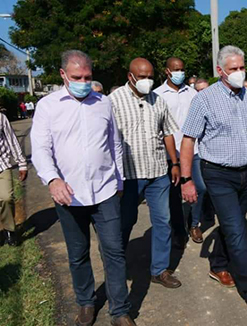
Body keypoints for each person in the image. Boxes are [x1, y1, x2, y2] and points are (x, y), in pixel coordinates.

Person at [31, 50, 134, 326]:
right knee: (78, 254)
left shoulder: (103, 103)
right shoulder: (48, 106)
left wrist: (120, 180)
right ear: (63, 74)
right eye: (77, 77)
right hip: (69, 195)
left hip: (106, 191)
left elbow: (114, 144)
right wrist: (52, 179)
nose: (83, 82)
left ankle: (120, 310)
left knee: (114, 250)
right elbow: (40, 148)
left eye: (88, 77)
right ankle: (86, 303)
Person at [180, 45, 247, 317]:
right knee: (237, 231)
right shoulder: (204, 100)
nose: (239, 73)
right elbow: (188, 140)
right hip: (217, 174)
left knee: (231, 223)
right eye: (233, 69)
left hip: (246, 174)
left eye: (242, 67)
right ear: (220, 71)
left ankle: (218, 263)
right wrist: (187, 179)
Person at [110, 57, 183, 288]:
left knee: (163, 221)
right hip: (128, 176)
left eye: (150, 76)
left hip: (158, 172)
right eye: (142, 77)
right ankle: (117, 267)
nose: (147, 81)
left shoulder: (158, 100)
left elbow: (169, 132)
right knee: (125, 222)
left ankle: (159, 270)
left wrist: (175, 163)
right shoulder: (113, 101)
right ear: (130, 76)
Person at [153, 57, 203, 246]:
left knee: (200, 188)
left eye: (182, 69)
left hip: (193, 150)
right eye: (175, 69)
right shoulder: (157, 95)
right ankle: (178, 229)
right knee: (174, 194)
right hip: (170, 152)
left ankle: (194, 223)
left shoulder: (192, 94)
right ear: (167, 71)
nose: (179, 73)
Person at [0, 112, 27, 247]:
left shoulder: (1, 118)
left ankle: (10, 230)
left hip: (2, 164)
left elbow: (12, 141)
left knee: (6, 197)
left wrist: (22, 164)